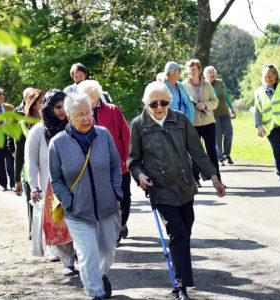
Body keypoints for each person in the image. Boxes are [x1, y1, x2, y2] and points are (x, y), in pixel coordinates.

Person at [128, 81, 226, 300]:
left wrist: (214, 178)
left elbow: (198, 152)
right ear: (147, 104)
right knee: (178, 233)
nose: (159, 107)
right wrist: (140, 176)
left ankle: (182, 275)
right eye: (154, 104)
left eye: (163, 102)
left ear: (169, 102)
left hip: (184, 186)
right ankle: (180, 286)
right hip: (160, 189)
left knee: (185, 232)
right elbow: (133, 161)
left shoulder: (180, 120)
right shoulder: (138, 125)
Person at [49, 92, 122, 300]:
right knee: (88, 253)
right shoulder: (58, 143)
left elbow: (115, 166)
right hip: (78, 212)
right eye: (79, 115)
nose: (86, 119)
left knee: (107, 250)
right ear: (69, 117)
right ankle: (95, 293)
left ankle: (102, 274)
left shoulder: (104, 135)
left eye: (88, 113)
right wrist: (69, 202)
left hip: (107, 207)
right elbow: (56, 180)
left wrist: (115, 191)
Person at [26, 89, 77, 276]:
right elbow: (30, 160)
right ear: (49, 108)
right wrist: (34, 186)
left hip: (76, 184)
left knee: (77, 222)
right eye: (57, 107)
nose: (62, 111)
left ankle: (81, 255)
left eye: (64, 106)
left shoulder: (74, 126)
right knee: (60, 224)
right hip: (51, 187)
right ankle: (68, 263)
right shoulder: (38, 131)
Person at [77, 80, 131, 247]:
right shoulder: (82, 116)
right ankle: (112, 234)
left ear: (96, 97)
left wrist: (128, 157)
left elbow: (126, 135)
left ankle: (122, 223)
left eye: (87, 98)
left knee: (124, 197)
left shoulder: (113, 110)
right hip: (96, 168)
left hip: (119, 165)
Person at [183, 59, 221, 187]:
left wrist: (205, 105)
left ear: (199, 70)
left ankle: (218, 179)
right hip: (192, 124)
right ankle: (195, 179)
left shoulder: (207, 84)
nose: (191, 71)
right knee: (194, 152)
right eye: (189, 69)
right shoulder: (183, 85)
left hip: (209, 122)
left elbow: (215, 102)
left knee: (211, 152)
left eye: (194, 69)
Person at [204, 66, 236, 166]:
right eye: (209, 72)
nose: (211, 74)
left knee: (229, 133)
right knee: (217, 137)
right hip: (213, 114)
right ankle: (220, 158)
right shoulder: (204, 85)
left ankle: (227, 154)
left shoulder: (220, 82)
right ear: (205, 75)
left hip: (225, 112)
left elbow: (226, 96)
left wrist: (231, 108)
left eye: (213, 72)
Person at [14, 87, 34, 239]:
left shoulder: (49, 118)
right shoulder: (18, 118)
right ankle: (33, 230)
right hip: (28, 172)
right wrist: (16, 179)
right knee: (31, 202)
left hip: (47, 171)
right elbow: (19, 151)